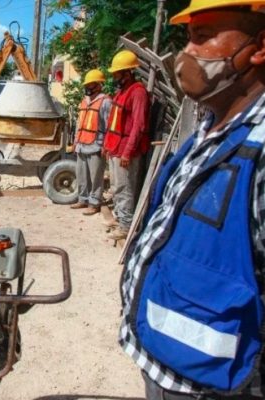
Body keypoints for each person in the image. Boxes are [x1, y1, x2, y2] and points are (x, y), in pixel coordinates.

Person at [119, 1, 265, 399]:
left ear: (260, 46)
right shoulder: (208, 128)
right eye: (189, 38)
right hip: (167, 364)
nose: (188, 53)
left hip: (213, 385)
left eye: (204, 37)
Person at [103, 49, 150, 240]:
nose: (114, 76)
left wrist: (127, 152)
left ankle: (126, 226)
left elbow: (138, 126)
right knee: (117, 186)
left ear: (127, 73)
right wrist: (107, 145)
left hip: (125, 152)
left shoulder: (138, 93)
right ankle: (121, 219)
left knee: (125, 189)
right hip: (115, 148)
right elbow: (114, 123)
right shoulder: (121, 92)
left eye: (116, 73)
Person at [70, 69, 112, 216]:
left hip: (96, 145)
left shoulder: (105, 102)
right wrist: (75, 141)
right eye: (86, 84)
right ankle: (83, 199)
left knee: (96, 177)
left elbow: (109, 126)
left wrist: (106, 146)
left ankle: (94, 203)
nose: (87, 87)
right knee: (81, 175)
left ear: (99, 85)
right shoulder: (84, 101)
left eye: (91, 84)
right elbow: (79, 123)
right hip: (82, 144)